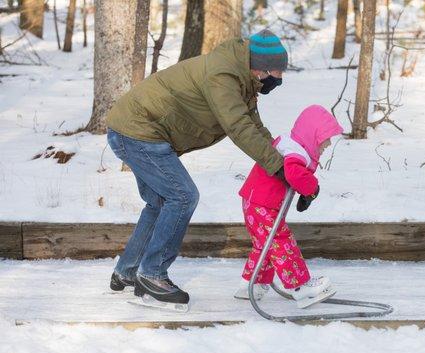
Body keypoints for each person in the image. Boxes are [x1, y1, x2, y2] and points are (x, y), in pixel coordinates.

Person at [105, 29, 289, 311]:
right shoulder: (223, 77)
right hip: (139, 130)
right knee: (182, 196)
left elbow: (253, 125)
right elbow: (238, 127)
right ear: (260, 68)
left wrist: (282, 160)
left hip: (136, 129)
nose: (280, 79)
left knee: (159, 202)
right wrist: (277, 167)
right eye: (277, 72)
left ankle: (127, 270)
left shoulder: (240, 77)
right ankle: (152, 275)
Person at [234, 105, 343, 308]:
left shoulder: (290, 146)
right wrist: (312, 189)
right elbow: (294, 173)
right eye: (325, 138)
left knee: (265, 243)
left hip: (255, 201)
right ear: (313, 135)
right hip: (262, 204)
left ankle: (252, 283)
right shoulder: (295, 152)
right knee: (280, 240)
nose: (328, 144)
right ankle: (300, 287)